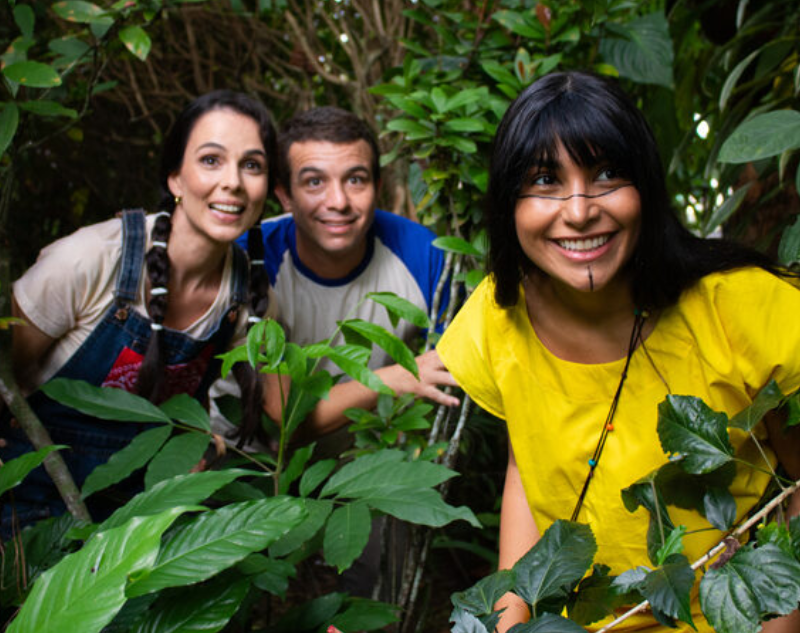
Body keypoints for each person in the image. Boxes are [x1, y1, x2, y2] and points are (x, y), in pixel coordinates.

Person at [436, 71, 800, 632]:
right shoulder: (497, 315)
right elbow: (527, 471)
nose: (579, 211)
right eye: (545, 180)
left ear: (646, 188)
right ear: (508, 203)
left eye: (606, 174)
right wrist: (509, 623)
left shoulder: (743, 307)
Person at [1, 90, 279, 532]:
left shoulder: (248, 295)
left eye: (252, 165)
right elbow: (6, 377)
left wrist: (199, 447)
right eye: (211, 160)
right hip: (30, 499)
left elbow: (209, 405)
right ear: (175, 179)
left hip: (139, 513)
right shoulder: (89, 259)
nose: (233, 182)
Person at [244, 105, 459, 598]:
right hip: (254, 455)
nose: (338, 201)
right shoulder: (252, 258)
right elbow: (285, 422)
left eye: (355, 180)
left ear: (377, 187)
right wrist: (395, 377)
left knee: (371, 588)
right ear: (284, 195)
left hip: (365, 457)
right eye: (314, 182)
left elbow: (456, 370)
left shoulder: (422, 254)